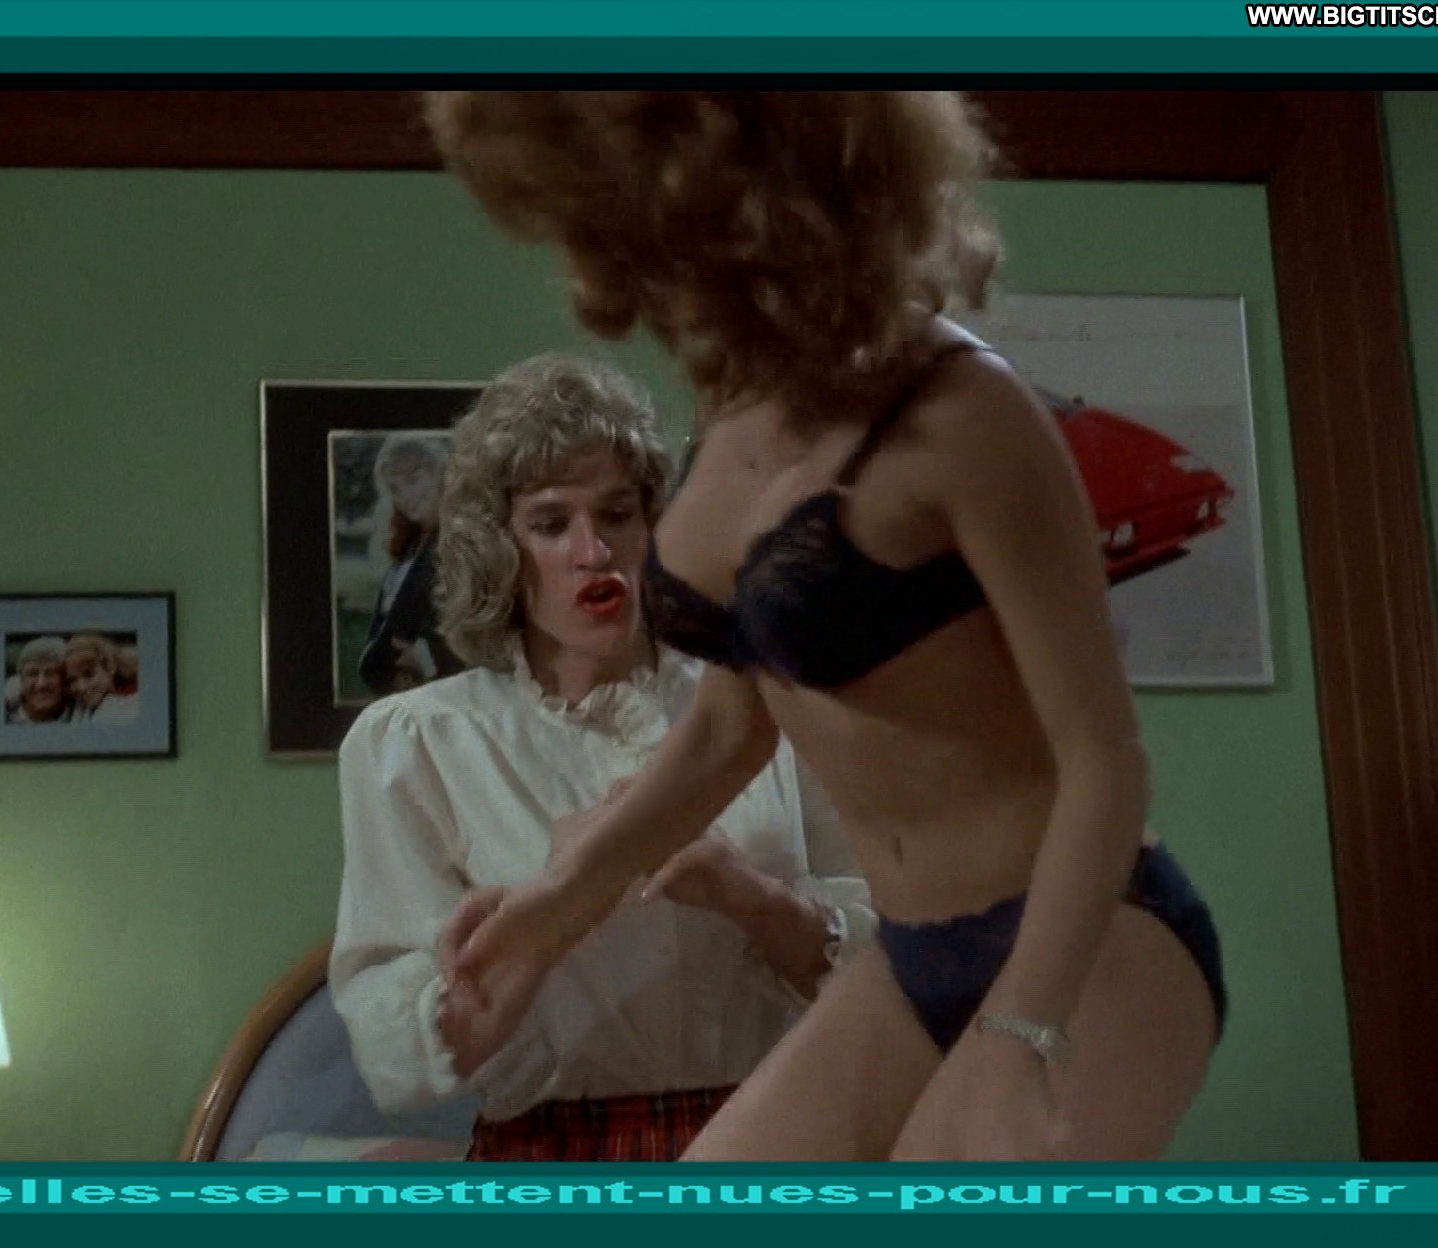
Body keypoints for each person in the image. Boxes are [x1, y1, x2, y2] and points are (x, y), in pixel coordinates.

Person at [430, 91, 1227, 1162]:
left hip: (1089, 935)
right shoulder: (735, 412)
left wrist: (1020, 1032)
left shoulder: (964, 414)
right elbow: (727, 731)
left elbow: (1107, 762)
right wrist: (556, 902)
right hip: (911, 957)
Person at [329, 353, 876, 1162]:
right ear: (498, 549)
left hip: (770, 1141)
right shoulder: (417, 744)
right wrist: (564, 898)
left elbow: (889, 974)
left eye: (618, 514)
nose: (594, 551)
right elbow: (402, 1058)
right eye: (551, 523)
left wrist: (751, 897)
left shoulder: (764, 706)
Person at [356, 432, 465, 696]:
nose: (406, 495)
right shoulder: (409, 548)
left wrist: (425, 660)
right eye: (395, 488)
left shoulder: (461, 545)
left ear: (440, 476)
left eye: (413, 480)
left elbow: (479, 631)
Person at [64, 631, 139, 724]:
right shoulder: (74, 709)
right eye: (72, 680)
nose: (81, 687)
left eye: (89, 675)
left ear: (109, 667)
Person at [7, 635, 71, 724]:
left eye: (50, 673)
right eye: (32, 674)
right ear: (20, 680)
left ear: (65, 680)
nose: (41, 684)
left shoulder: (82, 715)